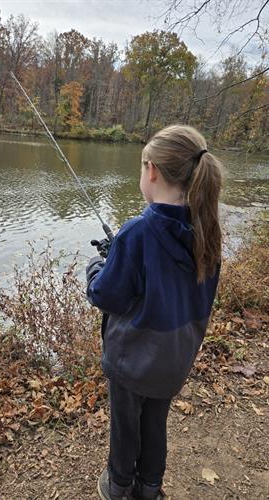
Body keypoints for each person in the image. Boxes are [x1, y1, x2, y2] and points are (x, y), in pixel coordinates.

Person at [86, 125, 222, 500]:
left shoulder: (137, 233)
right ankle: (150, 490)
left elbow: (106, 296)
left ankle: (118, 487)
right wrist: (121, 254)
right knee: (155, 424)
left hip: (134, 362)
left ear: (152, 171)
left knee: (125, 428)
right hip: (175, 360)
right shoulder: (207, 230)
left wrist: (98, 266)